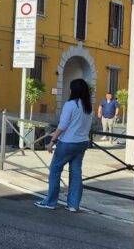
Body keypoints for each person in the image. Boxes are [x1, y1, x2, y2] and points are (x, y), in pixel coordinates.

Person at [34, 78, 93, 212]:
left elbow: (63, 125)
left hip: (68, 143)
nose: (69, 90)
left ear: (74, 90)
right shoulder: (88, 107)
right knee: (76, 172)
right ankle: (73, 205)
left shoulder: (70, 104)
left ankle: (50, 202)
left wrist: (52, 141)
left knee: (55, 170)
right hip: (82, 142)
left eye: (71, 88)